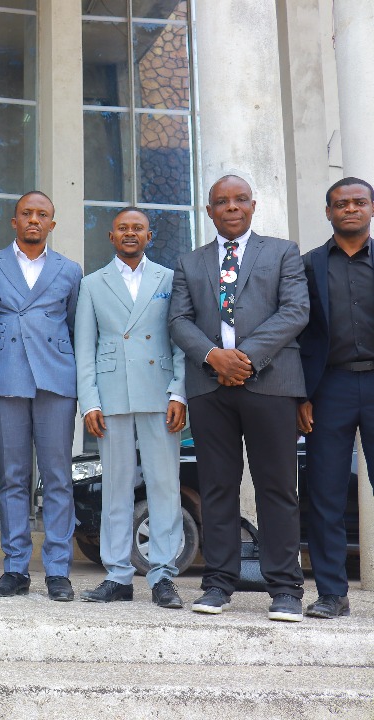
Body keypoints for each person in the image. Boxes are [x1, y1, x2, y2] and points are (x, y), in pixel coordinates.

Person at [169, 174, 308, 621]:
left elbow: (295, 311)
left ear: (253, 205)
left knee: (277, 487)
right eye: (221, 202)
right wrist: (215, 358)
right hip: (211, 387)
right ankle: (218, 583)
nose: (231, 207)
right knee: (216, 488)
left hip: (270, 383)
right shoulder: (190, 263)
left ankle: (285, 589)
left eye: (240, 200)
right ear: (208, 211)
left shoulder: (283, 252)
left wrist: (243, 358)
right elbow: (178, 320)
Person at [74, 207, 187, 608]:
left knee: (164, 485)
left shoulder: (170, 280)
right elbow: (84, 348)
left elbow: (180, 341)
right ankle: (118, 575)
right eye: (123, 228)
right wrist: (89, 401)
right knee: (116, 489)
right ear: (111, 236)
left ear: (149, 236)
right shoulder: (92, 283)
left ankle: (163, 576)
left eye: (137, 228)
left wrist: (179, 393)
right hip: (112, 393)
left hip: (159, 394)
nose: (130, 233)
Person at [0, 191, 82, 602]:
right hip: (6, 376)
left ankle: (58, 570)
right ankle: (15, 568)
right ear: (14, 221)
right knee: (13, 476)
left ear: (52, 225)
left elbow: (76, 327)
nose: (34, 220)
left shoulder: (70, 270)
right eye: (27, 214)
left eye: (42, 215)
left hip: (56, 379)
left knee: (58, 477)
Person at [297, 176, 374, 619]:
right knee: (325, 492)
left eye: (358, 202)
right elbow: (299, 334)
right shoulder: (308, 266)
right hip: (330, 388)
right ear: (328, 212)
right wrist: (301, 395)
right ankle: (331, 593)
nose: (349, 209)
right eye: (340, 203)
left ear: (370, 209)